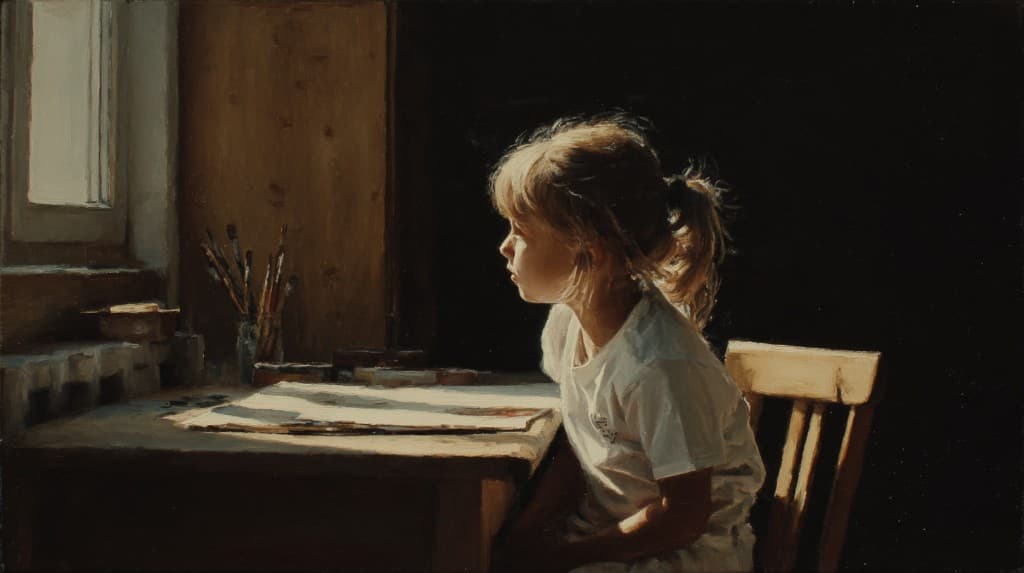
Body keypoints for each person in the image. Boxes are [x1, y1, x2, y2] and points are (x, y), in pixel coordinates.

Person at [489, 113, 766, 573]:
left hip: (682, 557)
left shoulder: (661, 365)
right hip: (613, 537)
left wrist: (560, 557)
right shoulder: (566, 325)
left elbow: (682, 518)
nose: (505, 247)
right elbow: (581, 451)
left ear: (590, 253)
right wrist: (525, 536)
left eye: (521, 231)